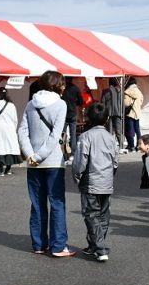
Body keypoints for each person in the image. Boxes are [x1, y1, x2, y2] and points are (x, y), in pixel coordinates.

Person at [18, 70, 74, 257]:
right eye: (62, 83)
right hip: (53, 161)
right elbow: (55, 136)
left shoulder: (30, 104)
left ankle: (39, 244)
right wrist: (40, 155)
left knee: (37, 204)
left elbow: (22, 132)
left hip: (33, 163)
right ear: (56, 85)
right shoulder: (60, 104)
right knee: (57, 203)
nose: (64, 86)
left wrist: (30, 154)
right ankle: (58, 246)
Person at [72, 103, 118, 262]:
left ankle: (100, 248)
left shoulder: (85, 136)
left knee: (91, 215)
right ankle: (94, 245)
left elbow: (79, 162)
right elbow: (115, 162)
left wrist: (77, 177)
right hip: (106, 182)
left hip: (90, 182)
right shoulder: (111, 138)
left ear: (89, 118)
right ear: (106, 119)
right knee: (103, 215)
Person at [0, 87, 21, 176]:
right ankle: (8, 169)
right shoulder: (11, 104)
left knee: (0, 147)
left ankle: (0, 170)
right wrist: (14, 129)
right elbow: (15, 119)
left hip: (0, 127)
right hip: (10, 128)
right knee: (10, 147)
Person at [62, 77, 84, 163]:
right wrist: (75, 103)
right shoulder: (75, 88)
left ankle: (63, 154)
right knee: (73, 134)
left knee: (62, 135)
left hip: (63, 113)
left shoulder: (63, 89)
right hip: (73, 113)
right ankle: (73, 154)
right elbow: (81, 101)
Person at [100, 77, 124, 150]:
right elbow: (122, 103)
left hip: (108, 113)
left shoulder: (106, 91)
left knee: (109, 131)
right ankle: (121, 146)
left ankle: (109, 146)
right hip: (118, 113)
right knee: (119, 131)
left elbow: (102, 102)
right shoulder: (120, 91)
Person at [123, 78, 144, 153]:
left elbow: (126, 104)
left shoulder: (127, 92)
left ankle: (131, 146)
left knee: (129, 131)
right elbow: (141, 101)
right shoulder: (139, 91)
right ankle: (139, 146)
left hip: (130, 114)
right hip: (137, 114)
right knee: (137, 131)